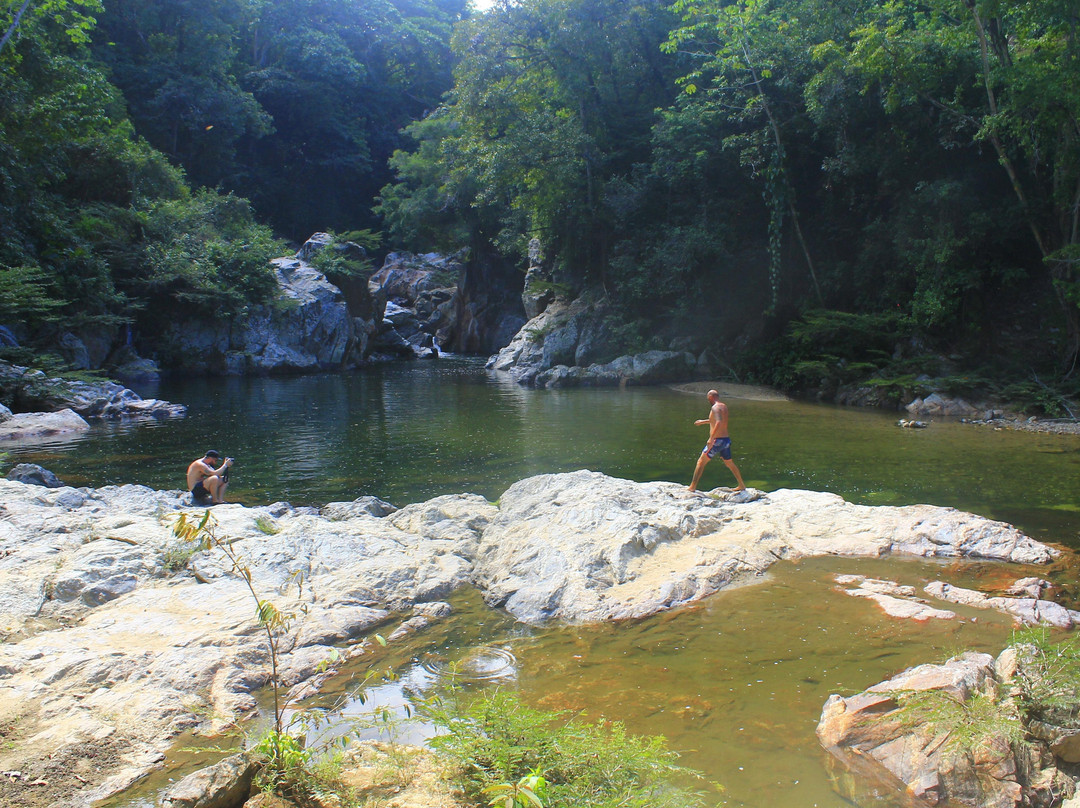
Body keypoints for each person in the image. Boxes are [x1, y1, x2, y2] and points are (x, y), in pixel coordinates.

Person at [688, 389, 746, 493]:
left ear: (710, 397)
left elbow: (718, 422)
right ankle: (741, 485)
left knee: (701, 461)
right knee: (729, 463)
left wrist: (711, 439)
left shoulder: (714, 408)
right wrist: (703, 422)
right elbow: (718, 419)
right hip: (726, 440)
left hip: (717, 441)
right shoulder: (723, 406)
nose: (708, 400)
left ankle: (692, 487)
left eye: (707, 398)